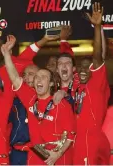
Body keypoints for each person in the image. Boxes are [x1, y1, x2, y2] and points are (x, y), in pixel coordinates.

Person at [2, 41, 76, 165]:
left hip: (57, 158)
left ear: (51, 83)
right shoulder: (31, 99)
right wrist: (6, 55)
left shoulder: (60, 103)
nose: (38, 80)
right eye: (37, 77)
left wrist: (58, 154)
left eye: (44, 77)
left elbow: (70, 135)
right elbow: (15, 78)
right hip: (35, 156)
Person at [71, 3, 111, 164]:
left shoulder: (96, 83)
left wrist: (97, 27)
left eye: (88, 68)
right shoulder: (75, 83)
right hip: (75, 141)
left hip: (91, 141)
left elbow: (98, 56)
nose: (83, 70)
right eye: (80, 67)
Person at [8, 64, 39, 165]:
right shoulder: (14, 101)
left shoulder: (47, 100)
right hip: (17, 152)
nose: (26, 77)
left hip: (38, 151)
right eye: (24, 74)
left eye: (31, 74)